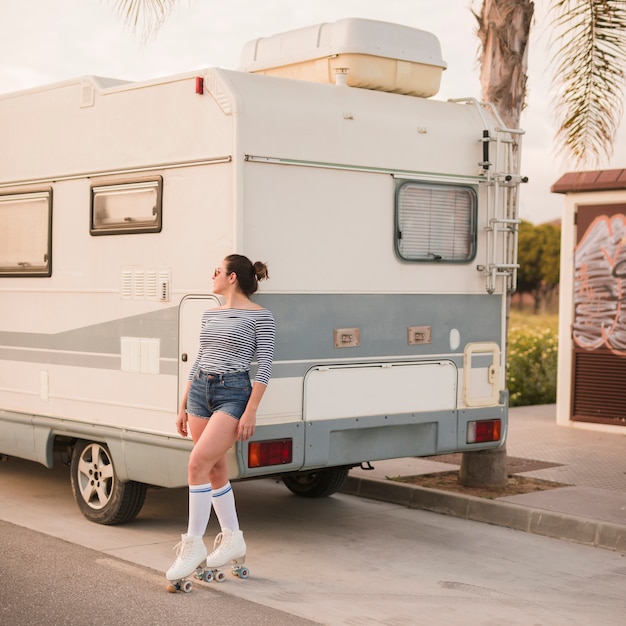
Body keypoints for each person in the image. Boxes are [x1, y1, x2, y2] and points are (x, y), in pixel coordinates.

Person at [166, 254, 275, 585]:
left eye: (218, 270)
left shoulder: (261, 317)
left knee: (196, 464)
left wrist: (251, 409)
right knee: (214, 468)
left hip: (233, 392)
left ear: (233, 278)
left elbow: (266, 365)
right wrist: (183, 403)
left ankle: (193, 546)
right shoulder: (210, 313)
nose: (212, 274)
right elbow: (200, 358)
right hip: (201, 390)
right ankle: (232, 538)